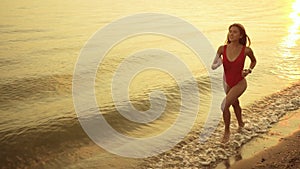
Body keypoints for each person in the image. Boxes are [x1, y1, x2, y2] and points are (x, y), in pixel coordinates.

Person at [211, 23, 257, 143]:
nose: (231, 34)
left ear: (241, 35)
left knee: (224, 105)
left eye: (235, 32)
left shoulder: (246, 50)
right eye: (230, 31)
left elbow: (253, 61)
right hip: (227, 83)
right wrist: (219, 62)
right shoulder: (222, 49)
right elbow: (213, 66)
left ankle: (227, 131)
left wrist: (249, 70)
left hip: (240, 83)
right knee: (234, 103)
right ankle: (241, 124)